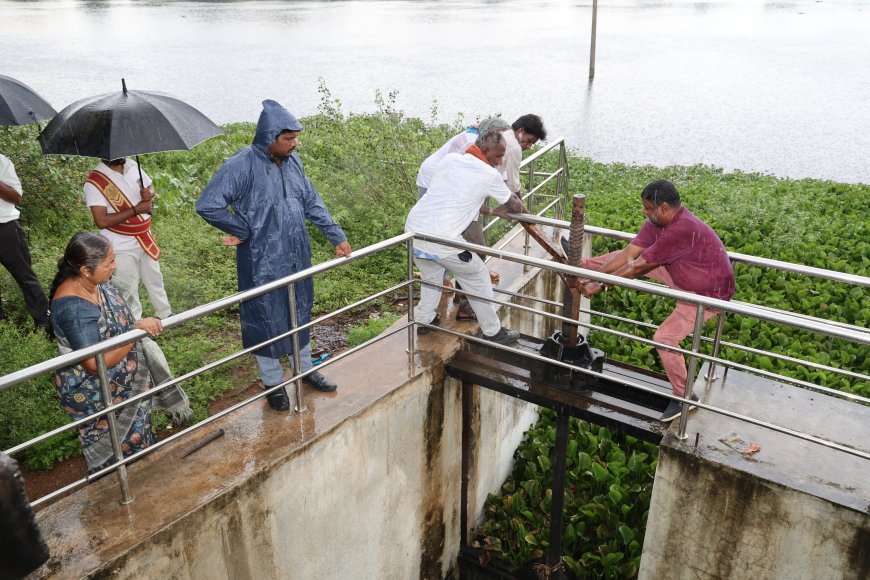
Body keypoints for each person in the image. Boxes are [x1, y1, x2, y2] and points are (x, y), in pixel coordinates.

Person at [196, 100, 352, 412]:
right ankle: (272, 384)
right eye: (289, 139)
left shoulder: (294, 162)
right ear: (270, 137)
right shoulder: (240, 166)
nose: (295, 144)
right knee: (265, 319)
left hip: (297, 254)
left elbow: (311, 201)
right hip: (260, 258)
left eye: (296, 138)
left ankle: (304, 371)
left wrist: (336, 235)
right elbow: (208, 204)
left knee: (300, 310)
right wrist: (242, 229)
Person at [576, 180, 735, 423]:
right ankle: (580, 266)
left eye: (648, 207)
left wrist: (600, 286)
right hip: (683, 273)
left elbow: (637, 267)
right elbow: (629, 254)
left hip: (708, 295)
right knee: (625, 261)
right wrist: (595, 277)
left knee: (665, 338)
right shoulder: (656, 223)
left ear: (662, 207)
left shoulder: (681, 229)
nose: (644, 211)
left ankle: (685, 397)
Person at [48, 232, 163, 473]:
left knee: (138, 445)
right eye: (109, 262)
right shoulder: (74, 308)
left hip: (123, 386)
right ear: (85, 270)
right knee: (115, 455)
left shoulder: (93, 283)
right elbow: (93, 364)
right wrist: (134, 333)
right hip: (96, 393)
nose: (115, 265)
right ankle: (119, 488)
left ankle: (142, 477)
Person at [405, 130, 525, 346]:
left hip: (414, 229)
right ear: (485, 151)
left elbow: (460, 196)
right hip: (443, 239)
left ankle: (425, 318)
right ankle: (493, 331)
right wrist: (524, 212)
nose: (500, 162)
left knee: (431, 276)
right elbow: (514, 204)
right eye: (498, 156)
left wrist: (494, 212)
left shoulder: (451, 160)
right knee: (478, 274)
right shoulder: (489, 175)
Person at [83, 156, 172, 321]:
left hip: (145, 236)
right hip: (120, 243)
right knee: (127, 288)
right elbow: (101, 221)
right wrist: (136, 210)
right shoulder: (94, 182)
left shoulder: (132, 164)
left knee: (155, 278)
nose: (122, 156)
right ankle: (135, 327)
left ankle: (166, 315)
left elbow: (150, 187)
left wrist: (149, 192)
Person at [0, 153, 50, 329]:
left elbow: (16, 196)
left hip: (5, 227)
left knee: (26, 278)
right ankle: (4, 333)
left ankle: (46, 327)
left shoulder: (2, 161)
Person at [480, 114, 548, 195]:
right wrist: (521, 206)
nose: (529, 147)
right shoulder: (515, 147)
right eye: (529, 141)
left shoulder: (506, 134)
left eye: (532, 144)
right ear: (521, 131)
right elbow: (513, 186)